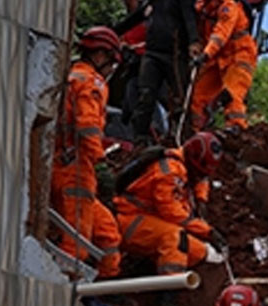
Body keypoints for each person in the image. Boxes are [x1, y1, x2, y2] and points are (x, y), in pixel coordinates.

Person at [52, 26, 125, 279]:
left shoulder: (69, 76)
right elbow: (88, 127)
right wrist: (101, 163)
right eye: (111, 62)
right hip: (77, 171)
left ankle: (103, 291)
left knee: (108, 234)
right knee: (77, 246)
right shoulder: (91, 83)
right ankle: (64, 292)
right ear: (101, 55)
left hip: (61, 165)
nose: (111, 70)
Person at [113, 131, 224, 276]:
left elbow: (201, 179)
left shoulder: (183, 164)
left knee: (199, 252)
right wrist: (207, 231)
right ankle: (169, 287)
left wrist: (201, 199)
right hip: (133, 221)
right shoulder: (170, 172)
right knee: (175, 237)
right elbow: (171, 212)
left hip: (151, 220)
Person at [120, 0, 198, 142]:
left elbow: (190, 18)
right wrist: (114, 32)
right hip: (152, 52)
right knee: (145, 94)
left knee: (180, 98)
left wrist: (194, 41)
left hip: (175, 55)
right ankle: (140, 137)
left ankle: (183, 136)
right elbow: (137, 17)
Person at [188, 0, 257, 132]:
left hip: (239, 54)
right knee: (197, 96)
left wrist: (205, 54)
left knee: (232, 94)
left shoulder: (228, 6)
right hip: (217, 58)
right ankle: (194, 130)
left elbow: (221, 34)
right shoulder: (203, 9)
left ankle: (236, 127)